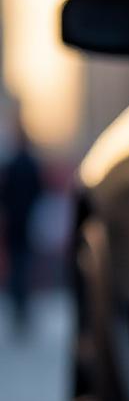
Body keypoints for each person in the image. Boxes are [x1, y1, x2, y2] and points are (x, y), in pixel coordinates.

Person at [0, 118, 43, 331]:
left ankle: (20, 306)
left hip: (17, 222)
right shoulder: (28, 163)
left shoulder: (14, 164)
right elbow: (39, 189)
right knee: (22, 265)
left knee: (19, 266)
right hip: (25, 221)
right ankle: (21, 306)